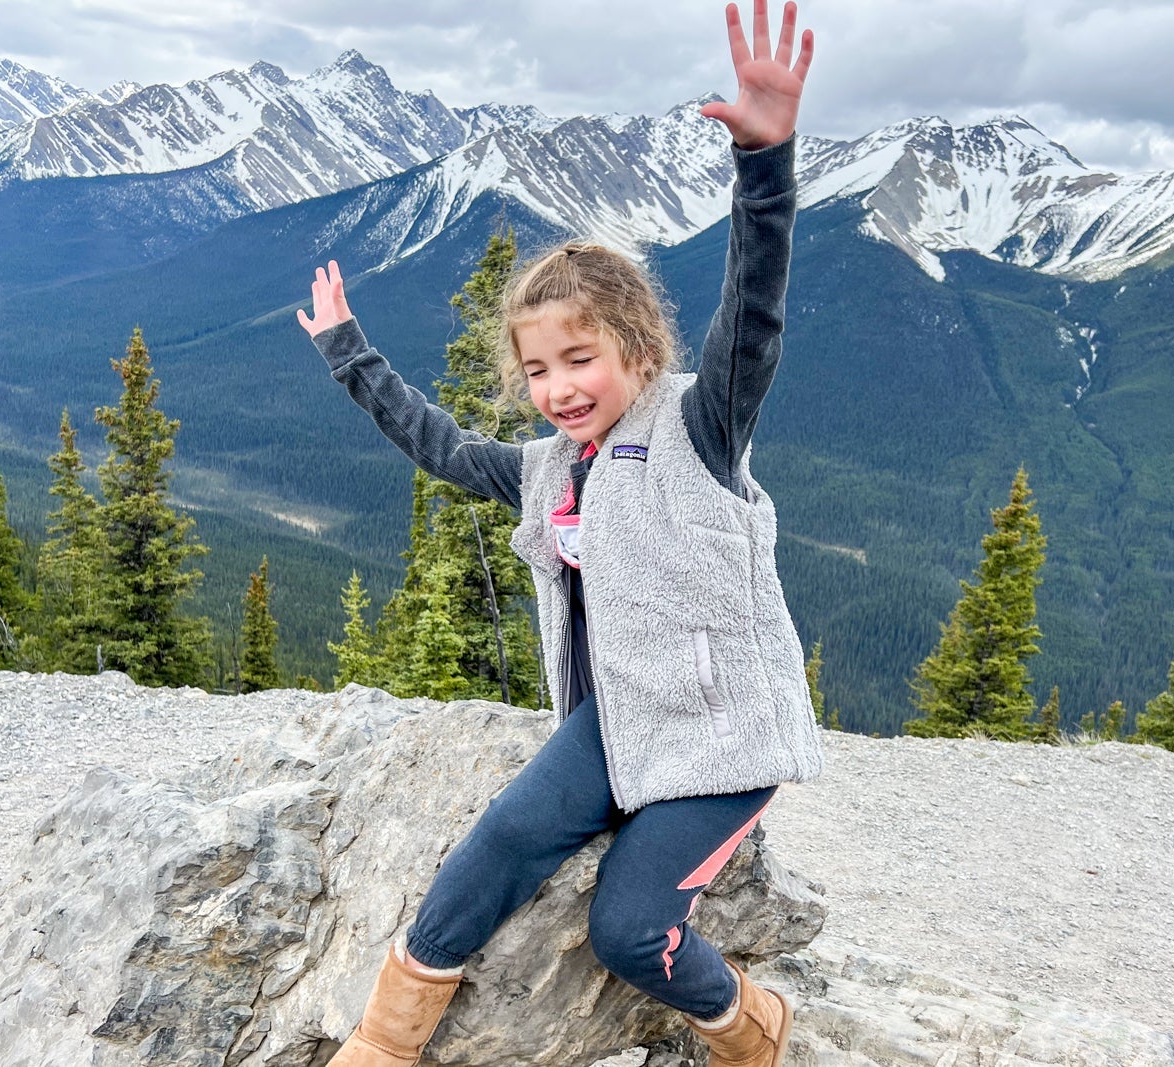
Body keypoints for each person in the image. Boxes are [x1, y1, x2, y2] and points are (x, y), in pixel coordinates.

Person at [297, 3, 820, 1064]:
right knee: (501, 837)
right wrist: (351, 353)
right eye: (537, 369)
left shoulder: (698, 425)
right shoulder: (549, 470)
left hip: (719, 737)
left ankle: (749, 1023)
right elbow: (444, 446)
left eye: (580, 359)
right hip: (616, 721)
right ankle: (387, 1037)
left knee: (628, 929)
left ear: (637, 349)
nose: (558, 387)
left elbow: (753, 318)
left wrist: (763, 166)